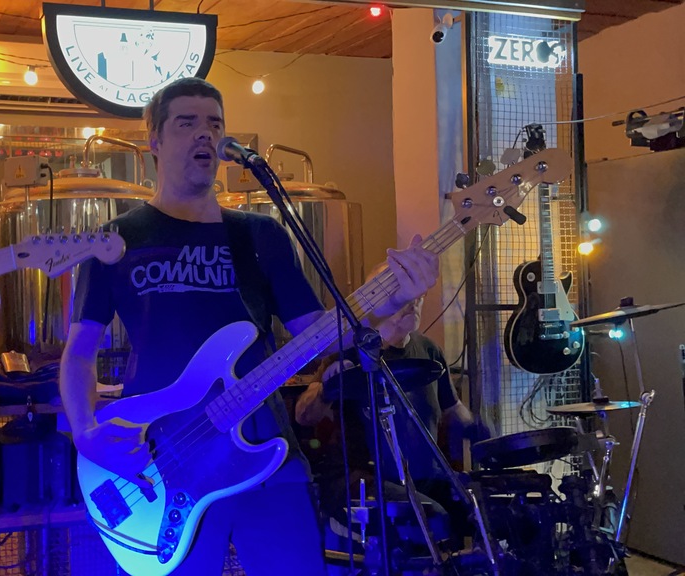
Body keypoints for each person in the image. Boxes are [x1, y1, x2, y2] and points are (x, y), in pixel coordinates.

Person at [59, 77, 439, 575]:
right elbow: (79, 351)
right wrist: (85, 431)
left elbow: (318, 332)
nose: (205, 134)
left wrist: (391, 300)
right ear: (154, 140)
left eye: (215, 124)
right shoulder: (116, 237)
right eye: (187, 123)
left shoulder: (260, 234)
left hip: (264, 449)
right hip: (159, 458)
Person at [294, 261, 477, 548]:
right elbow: (303, 415)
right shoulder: (348, 351)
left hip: (424, 478)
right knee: (431, 519)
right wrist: (325, 391)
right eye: (400, 293)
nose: (413, 302)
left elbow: (453, 409)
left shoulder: (429, 350)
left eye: (417, 296)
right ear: (378, 301)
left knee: (483, 509)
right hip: (363, 481)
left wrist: (478, 432)